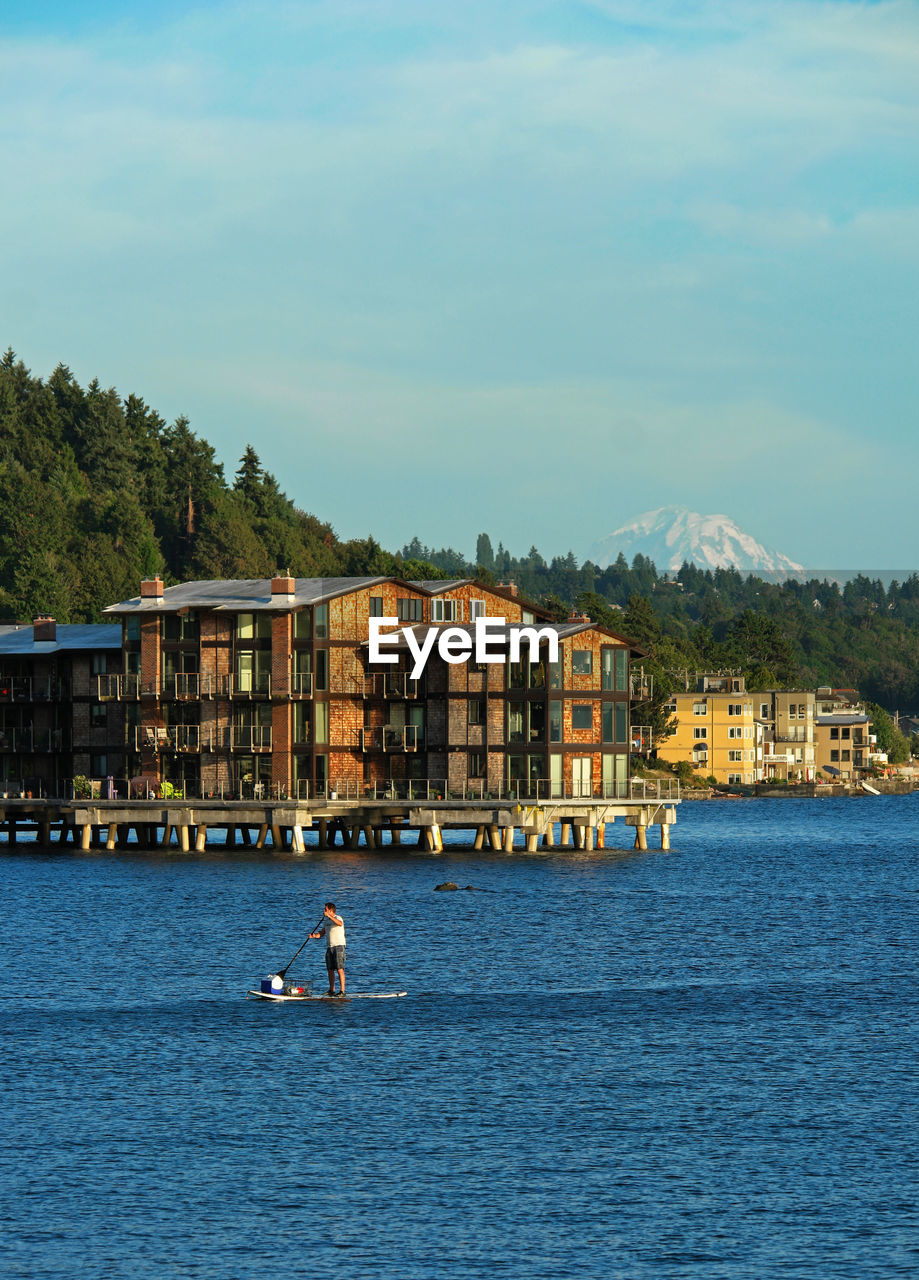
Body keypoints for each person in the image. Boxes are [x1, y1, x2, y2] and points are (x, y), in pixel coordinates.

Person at [310, 901, 346, 996]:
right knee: (330, 969)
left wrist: (329, 916)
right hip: (329, 947)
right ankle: (331, 990)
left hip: (339, 946)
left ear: (330, 910)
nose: (324, 911)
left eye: (325, 910)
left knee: (339, 969)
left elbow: (340, 924)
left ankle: (342, 991)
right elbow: (321, 933)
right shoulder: (326, 922)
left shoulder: (338, 918)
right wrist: (314, 936)